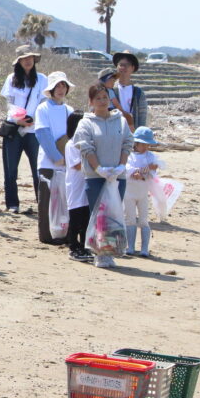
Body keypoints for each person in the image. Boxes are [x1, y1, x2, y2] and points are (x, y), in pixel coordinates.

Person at [72, 83, 133, 268]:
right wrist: (99, 168)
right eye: (97, 98)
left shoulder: (120, 120)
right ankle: (99, 252)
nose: (102, 101)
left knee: (113, 214)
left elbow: (127, 143)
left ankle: (111, 251)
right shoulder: (86, 122)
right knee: (98, 214)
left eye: (105, 97)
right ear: (91, 101)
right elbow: (85, 146)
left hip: (117, 176)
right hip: (96, 176)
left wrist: (121, 166)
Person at [0, 46, 45, 213]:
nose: (28, 61)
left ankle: (42, 202)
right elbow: (9, 103)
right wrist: (18, 120)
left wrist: (32, 121)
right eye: (24, 58)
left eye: (30, 58)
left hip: (34, 129)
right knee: (11, 168)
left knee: (38, 169)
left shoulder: (42, 79)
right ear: (18, 61)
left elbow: (43, 102)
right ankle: (12, 204)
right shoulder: (11, 78)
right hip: (14, 128)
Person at [34, 71, 75, 244]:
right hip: (48, 162)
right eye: (57, 86)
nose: (60, 89)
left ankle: (64, 233)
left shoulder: (69, 110)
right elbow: (42, 133)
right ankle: (47, 235)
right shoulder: (43, 108)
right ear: (50, 89)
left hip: (66, 162)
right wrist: (55, 156)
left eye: (63, 85)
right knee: (46, 200)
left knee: (65, 200)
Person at [124, 126, 161, 257]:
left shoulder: (151, 156)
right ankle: (130, 247)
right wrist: (143, 170)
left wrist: (143, 173)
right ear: (136, 143)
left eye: (147, 145)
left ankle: (145, 248)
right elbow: (129, 171)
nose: (145, 147)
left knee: (144, 220)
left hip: (143, 192)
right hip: (129, 192)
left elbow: (152, 173)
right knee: (130, 219)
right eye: (143, 144)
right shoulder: (129, 155)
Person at [63, 111, 92, 262]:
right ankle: (73, 246)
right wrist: (96, 164)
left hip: (86, 183)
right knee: (76, 216)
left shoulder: (85, 142)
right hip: (75, 184)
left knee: (86, 216)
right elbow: (77, 165)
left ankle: (84, 245)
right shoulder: (72, 143)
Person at [112, 51, 148, 130]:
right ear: (117, 67)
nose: (123, 68)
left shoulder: (138, 93)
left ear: (133, 68)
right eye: (121, 65)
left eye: (127, 65)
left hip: (132, 134)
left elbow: (142, 118)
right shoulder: (111, 90)